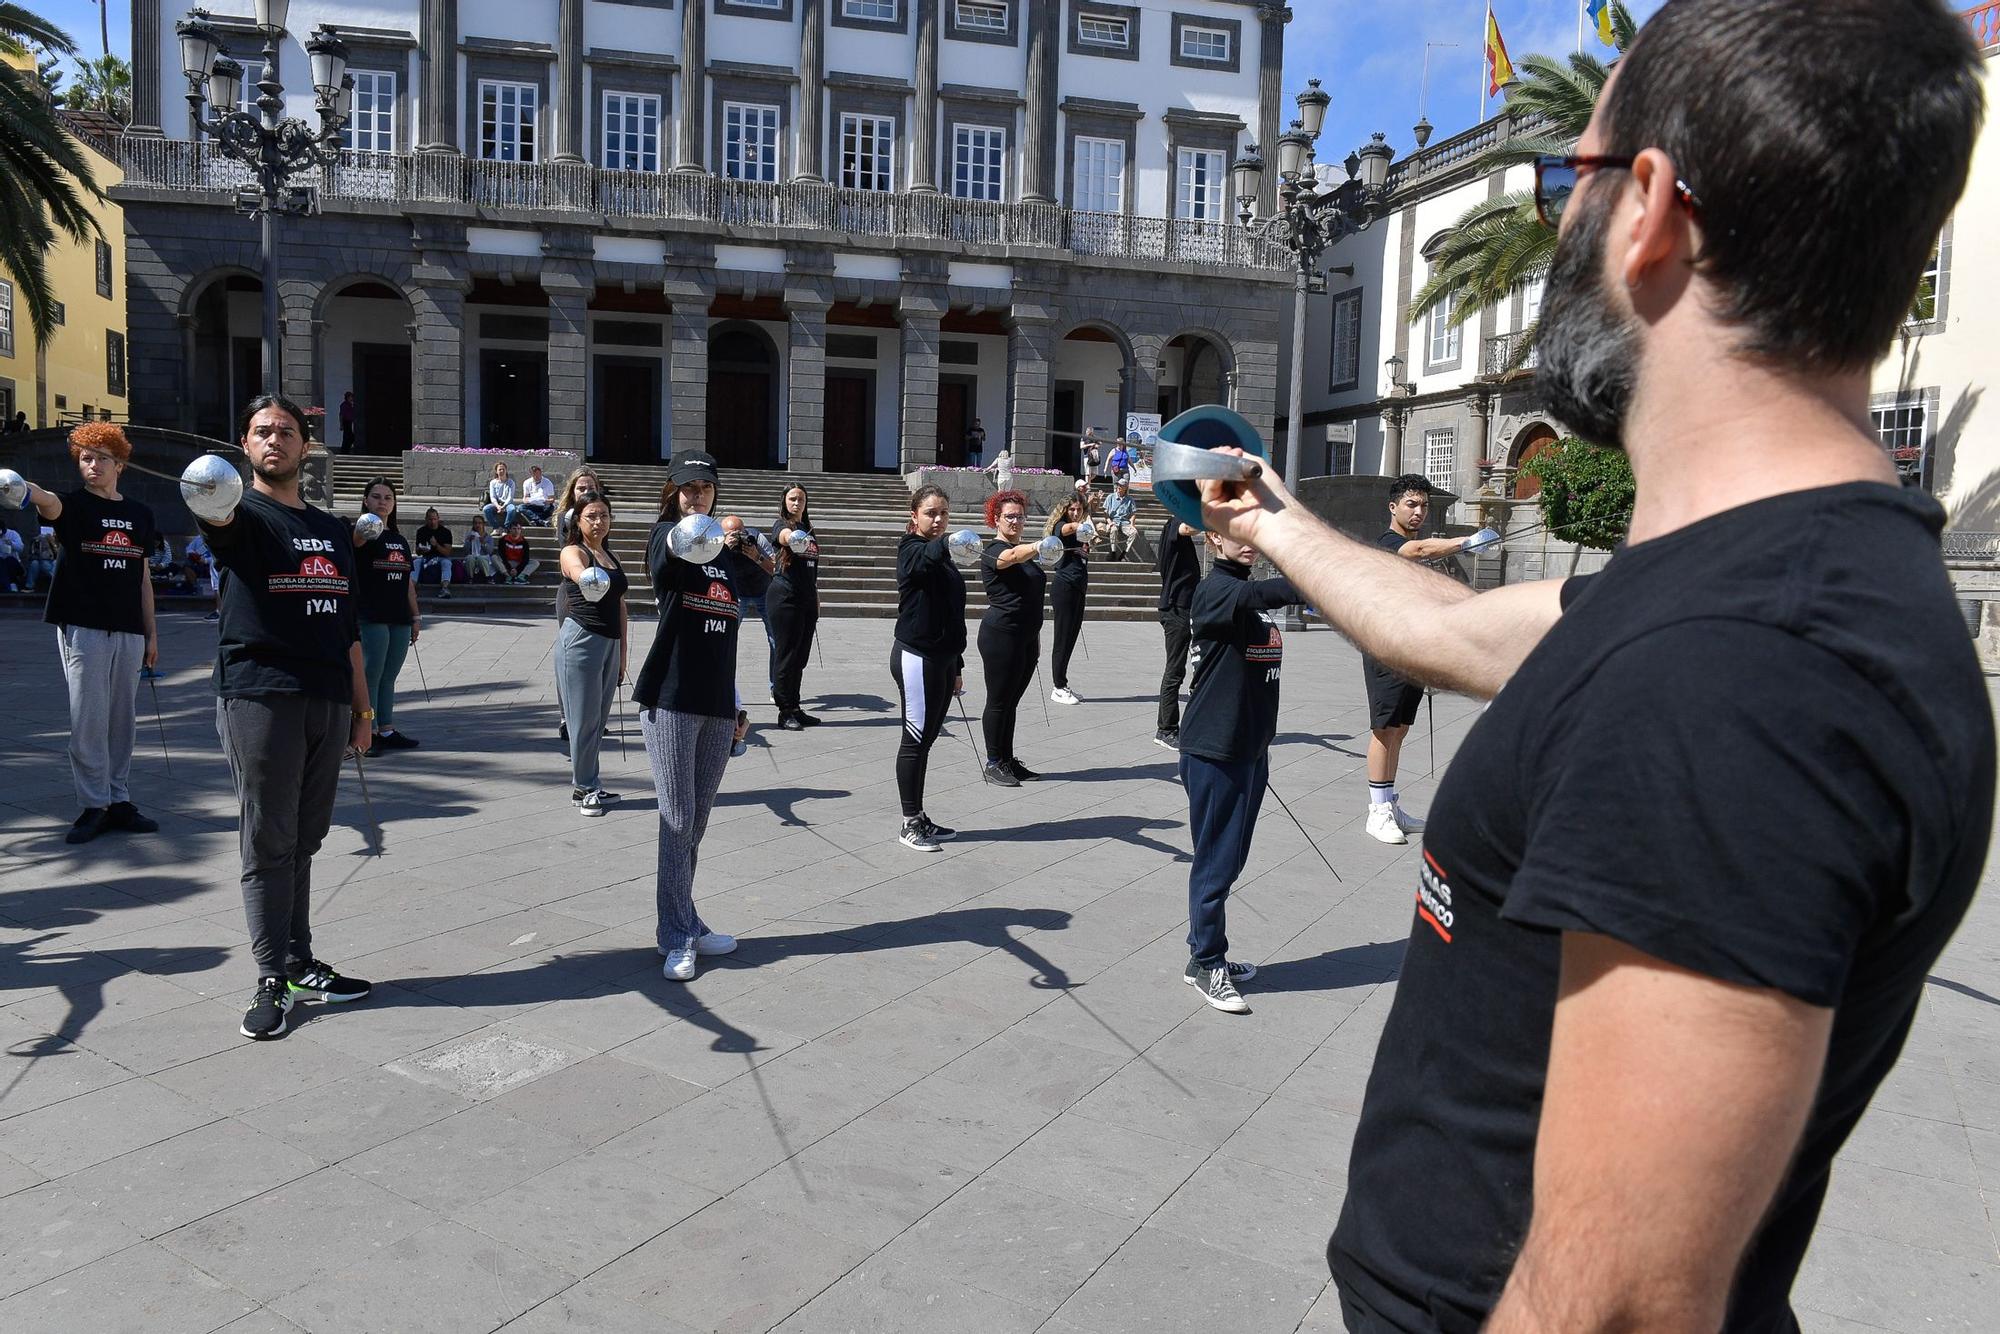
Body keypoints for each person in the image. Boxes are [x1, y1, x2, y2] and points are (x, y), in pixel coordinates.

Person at [1195, 2, 1992, 1325]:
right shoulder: (1730, 583)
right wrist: (1272, 517)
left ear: (1653, 210)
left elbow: (1618, 1304)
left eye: (1574, 175)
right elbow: (1448, 631)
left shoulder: (1746, 671)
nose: (1563, 218)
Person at [196, 394, 374, 1040]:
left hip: (327, 696)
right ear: (245, 445)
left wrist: (362, 708)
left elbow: (349, 629)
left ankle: (299, 959)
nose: (275, 440)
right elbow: (211, 516)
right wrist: (210, 489)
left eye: (286, 432)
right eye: (262, 432)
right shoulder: (243, 515)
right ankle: (272, 972)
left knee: (306, 836)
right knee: (268, 837)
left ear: (306, 446)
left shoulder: (331, 531)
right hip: (260, 693)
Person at [12, 421, 162, 844]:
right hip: (83, 625)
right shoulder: (74, 507)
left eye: (101, 458)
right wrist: (20, 486)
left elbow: (143, 577)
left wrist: (152, 634)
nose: (92, 465)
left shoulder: (140, 514)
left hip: (129, 629)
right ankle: (93, 805)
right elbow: (45, 501)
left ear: (121, 463)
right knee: (88, 719)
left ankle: (119, 799)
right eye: (85, 458)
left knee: (122, 720)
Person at [632, 453, 747, 980]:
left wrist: (738, 702)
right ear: (673, 492)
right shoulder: (666, 535)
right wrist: (694, 529)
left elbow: (734, 622)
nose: (697, 495)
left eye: (705, 487)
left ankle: (687, 921)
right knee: (676, 819)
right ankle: (674, 934)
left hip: (717, 701)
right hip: (673, 696)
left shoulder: (723, 549)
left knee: (696, 822)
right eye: (688, 487)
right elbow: (664, 566)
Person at [1179, 523, 1298, 1015]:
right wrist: (1318, 568)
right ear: (1213, 540)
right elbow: (1271, 590)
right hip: (1215, 748)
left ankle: (1203, 955)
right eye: (1235, 534)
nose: (1248, 541)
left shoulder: (1248, 595)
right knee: (1216, 860)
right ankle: (1208, 962)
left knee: (1231, 857)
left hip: (1249, 747)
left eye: (1255, 534)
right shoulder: (1216, 590)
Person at [1361, 474, 1480, 845]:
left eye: (1424, 505)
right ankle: (1376, 811)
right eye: (1411, 504)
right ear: (1393, 507)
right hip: (1386, 650)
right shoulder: (1390, 544)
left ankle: (1389, 802)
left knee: (1399, 729)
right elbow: (1419, 551)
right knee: (1384, 729)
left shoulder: (1415, 548)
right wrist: (1467, 540)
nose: (1419, 512)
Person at [891, 484, 965, 852]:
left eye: (943, 514)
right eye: (930, 513)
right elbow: (922, 561)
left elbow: (952, 612)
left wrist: (957, 664)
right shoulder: (911, 549)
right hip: (916, 655)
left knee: (928, 739)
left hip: (943, 657)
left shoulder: (943, 557)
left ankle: (920, 815)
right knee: (915, 739)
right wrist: (947, 541)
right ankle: (909, 822)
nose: (937, 520)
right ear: (914, 516)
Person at [556, 491, 628, 816]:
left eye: (603, 515)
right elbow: (574, 569)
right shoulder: (575, 550)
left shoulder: (609, 556)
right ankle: (583, 788)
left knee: (598, 722)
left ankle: (591, 782)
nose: (599, 522)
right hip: (582, 641)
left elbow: (621, 605)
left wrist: (623, 652)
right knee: (583, 720)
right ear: (578, 521)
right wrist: (585, 575)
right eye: (591, 517)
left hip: (610, 643)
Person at [976, 489, 1045, 787]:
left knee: (1012, 702)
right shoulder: (993, 549)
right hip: (1001, 636)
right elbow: (1010, 558)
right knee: (998, 701)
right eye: (1009, 516)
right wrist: (1041, 544)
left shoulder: (1025, 552)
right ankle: (993, 762)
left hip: (1027, 637)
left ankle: (1007, 758)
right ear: (996, 519)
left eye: (1019, 516)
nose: (1015, 521)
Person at [352, 477, 420, 757]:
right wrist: (363, 527)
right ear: (366, 500)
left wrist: (415, 616)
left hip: (399, 617)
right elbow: (355, 541)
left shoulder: (399, 540)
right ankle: (367, 733)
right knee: (371, 675)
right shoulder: (362, 534)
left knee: (389, 676)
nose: (382, 502)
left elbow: (407, 581)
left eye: (388, 498)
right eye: (376, 496)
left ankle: (387, 729)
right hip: (372, 616)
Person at [769, 483, 822, 730]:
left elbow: (812, 569)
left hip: (806, 598)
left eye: (801, 499)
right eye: (792, 499)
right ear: (784, 502)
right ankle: (784, 710)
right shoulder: (783, 526)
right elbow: (782, 537)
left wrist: (816, 598)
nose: (796, 503)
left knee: (800, 657)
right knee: (786, 656)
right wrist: (791, 537)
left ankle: (795, 707)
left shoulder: (808, 528)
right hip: (785, 598)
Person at [718, 512, 779, 708]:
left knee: (776, 640)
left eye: (740, 532)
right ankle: (722, 687)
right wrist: (723, 550)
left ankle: (776, 687)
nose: (738, 538)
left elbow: (775, 568)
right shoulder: (716, 543)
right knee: (725, 641)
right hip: (737, 594)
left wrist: (756, 555)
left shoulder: (756, 538)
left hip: (764, 590)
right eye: (732, 534)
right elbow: (711, 569)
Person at [1154, 515, 1199, 749]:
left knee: (1186, 669)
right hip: (1175, 609)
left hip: (1184, 608)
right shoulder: (1173, 524)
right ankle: (1166, 729)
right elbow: (1188, 527)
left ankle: (1187, 725)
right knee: (1174, 671)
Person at [1044, 493, 1093, 705]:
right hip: (1065, 586)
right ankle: (1058, 686)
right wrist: (1082, 526)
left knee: (1071, 637)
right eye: (1071, 509)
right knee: (1062, 638)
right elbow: (1066, 529)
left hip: (1078, 587)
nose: (1075, 513)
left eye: (1079, 510)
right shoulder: (1061, 526)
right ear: (1065, 510)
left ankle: (1063, 682)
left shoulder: (1081, 531)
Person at [411, 506, 454, 599]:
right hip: (426, 558)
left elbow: (447, 553)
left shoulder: (445, 532)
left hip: (441, 558)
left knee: (447, 562)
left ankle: (445, 588)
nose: (432, 522)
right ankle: (411, 589)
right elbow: (417, 552)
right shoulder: (421, 531)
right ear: (426, 519)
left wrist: (436, 545)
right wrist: (421, 549)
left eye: (434, 519)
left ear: (438, 519)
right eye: (430, 519)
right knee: (416, 562)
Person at [552, 467, 601, 544]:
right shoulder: (565, 517)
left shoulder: (602, 517)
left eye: (591, 488)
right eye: (581, 489)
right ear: (572, 493)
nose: (586, 493)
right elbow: (566, 548)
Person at [184, 531, 219, 619]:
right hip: (200, 564)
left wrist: (206, 560)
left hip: (213, 563)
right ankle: (195, 587)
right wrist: (196, 556)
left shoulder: (219, 539)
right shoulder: (199, 538)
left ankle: (220, 611)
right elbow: (189, 549)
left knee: (217, 585)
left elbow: (220, 556)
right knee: (187, 565)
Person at [1103, 477, 1138, 560]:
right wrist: (1109, 522)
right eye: (1118, 485)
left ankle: (1124, 553)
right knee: (1114, 530)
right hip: (1113, 521)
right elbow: (1105, 512)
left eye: (1121, 485)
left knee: (1134, 532)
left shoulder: (1130, 499)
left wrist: (1132, 524)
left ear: (1125, 488)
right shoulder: (1110, 497)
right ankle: (1113, 552)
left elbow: (1133, 513)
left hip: (1125, 522)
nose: (1119, 487)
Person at [461, 515, 499, 583]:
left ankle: (488, 577)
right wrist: (468, 541)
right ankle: (470, 578)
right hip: (472, 557)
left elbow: (489, 552)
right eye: (475, 523)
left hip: (484, 558)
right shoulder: (469, 535)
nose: (477, 525)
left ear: (483, 524)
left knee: (481, 558)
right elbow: (465, 551)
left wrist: (483, 543)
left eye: (479, 523)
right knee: (470, 558)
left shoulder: (488, 537)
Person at [482, 462, 519, 531]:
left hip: (507, 504)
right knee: (486, 509)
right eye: (500, 469)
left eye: (503, 469)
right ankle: (496, 528)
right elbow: (493, 497)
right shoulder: (493, 482)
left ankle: (506, 528)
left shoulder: (511, 482)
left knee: (512, 510)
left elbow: (510, 497)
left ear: (506, 470)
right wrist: (498, 506)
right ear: (496, 471)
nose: (501, 471)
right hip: (497, 504)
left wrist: (503, 506)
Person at [0, 524, 24, 591]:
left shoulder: (13, 534)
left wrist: (12, 544)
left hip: (13, 562)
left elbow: (21, 548)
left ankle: (10, 584)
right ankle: (10, 584)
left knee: (9, 560)